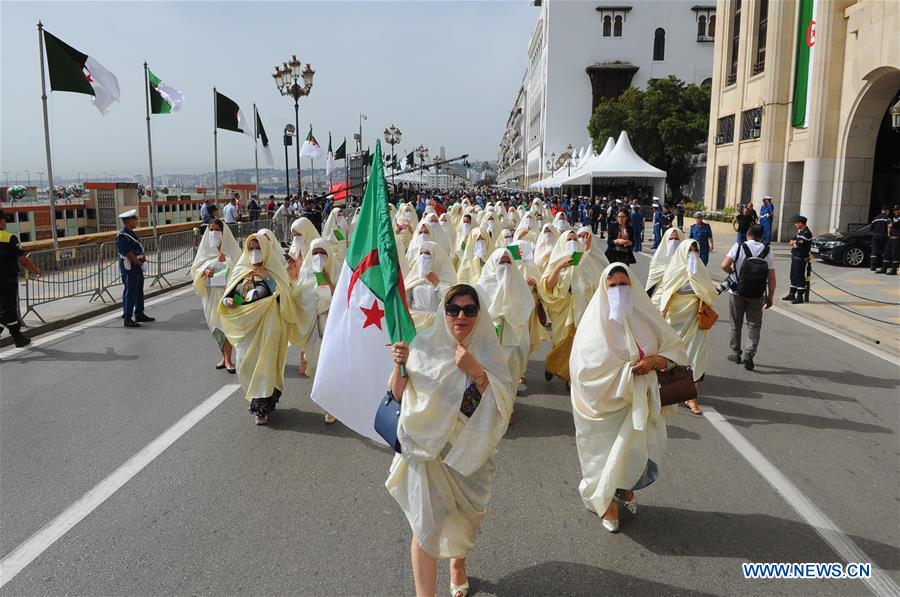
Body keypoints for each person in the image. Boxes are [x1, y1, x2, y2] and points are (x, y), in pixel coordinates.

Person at [385, 284, 513, 597]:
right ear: (444, 312)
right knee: (424, 529)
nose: (460, 316)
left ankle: (458, 564)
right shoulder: (424, 345)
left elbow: (503, 404)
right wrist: (399, 364)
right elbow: (398, 395)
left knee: (463, 519)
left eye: (470, 310)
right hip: (426, 455)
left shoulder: (488, 351)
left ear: (479, 314)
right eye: (453, 309)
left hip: (470, 456)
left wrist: (476, 371)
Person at [569, 263, 688, 533]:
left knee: (634, 452)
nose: (619, 291)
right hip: (601, 407)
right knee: (602, 457)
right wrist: (626, 376)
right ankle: (606, 502)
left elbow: (675, 349)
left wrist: (655, 361)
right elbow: (583, 371)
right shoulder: (592, 327)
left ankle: (622, 487)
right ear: (604, 288)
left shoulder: (647, 317)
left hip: (640, 401)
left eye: (624, 285)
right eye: (613, 286)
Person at [219, 229, 300, 425]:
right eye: (251, 248)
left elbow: (285, 298)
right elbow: (229, 295)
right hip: (247, 330)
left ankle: (261, 407)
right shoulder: (241, 271)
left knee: (264, 368)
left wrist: (267, 277)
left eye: (258, 248)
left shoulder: (275, 271)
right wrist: (229, 301)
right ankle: (255, 398)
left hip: (269, 328)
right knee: (246, 366)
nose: (254, 252)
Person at [658, 240, 718, 414]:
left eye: (695, 250)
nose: (692, 253)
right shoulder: (674, 271)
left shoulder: (701, 271)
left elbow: (710, 294)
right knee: (674, 359)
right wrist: (661, 318)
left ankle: (691, 398)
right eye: (689, 250)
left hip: (696, 322)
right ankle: (668, 391)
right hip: (676, 322)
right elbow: (667, 294)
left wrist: (701, 290)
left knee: (695, 358)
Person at [476, 247, 535, 393]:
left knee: (511, 371)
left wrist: (511, 315)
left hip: (514, 335)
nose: (505, 267)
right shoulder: (482, 286)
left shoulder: (519, 285)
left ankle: (508, 402)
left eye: (508, 262)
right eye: (501, 263)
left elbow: (527, 307)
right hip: (489, 335)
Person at [720, 224, 776, 371]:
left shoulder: (739, 246)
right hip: (757, 294)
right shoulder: (767, 250)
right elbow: (772, 277)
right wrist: (770, 296)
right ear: (761, 236)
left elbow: (724, 265)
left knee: (735, 324)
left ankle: (735, 352)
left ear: (748, 234)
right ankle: (749, 353)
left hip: (737, 292)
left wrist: (732, 271)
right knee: (754, 325)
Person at [190, 218, 241, 372]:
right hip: (210, 294)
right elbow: (196, 269)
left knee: (226, 325)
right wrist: (204, 271)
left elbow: (240, 269)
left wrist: (226, 261)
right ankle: (224, 357)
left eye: (217, 230)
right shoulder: (205, 250)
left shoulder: (232, 251)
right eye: (211, 230)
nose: (213, 233)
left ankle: (229, 360)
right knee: (215, 326)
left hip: (227, 294)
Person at [0, 209, 42, 347]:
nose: (5, 222)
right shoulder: (8, 237)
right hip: (6, 280)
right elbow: (23, 260)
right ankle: (17, 337)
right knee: (8, 309)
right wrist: (35, 270)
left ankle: (18, 338)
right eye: (4, 219)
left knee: (6, 310)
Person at [405, 241, 456, 330]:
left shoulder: (446, 276)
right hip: (416, 323)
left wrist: (436, 282)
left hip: (438, 325)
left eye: (427, 253)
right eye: (421, 253)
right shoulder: (414, 277)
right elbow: (405, 299)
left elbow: (451, 299)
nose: (423, 256)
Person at [116, 210, 155, 328]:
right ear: (128, 221)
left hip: (137, 265)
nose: (136, 221)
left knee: (138, 290)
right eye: (135, 219)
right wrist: (139, 263)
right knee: (130, 291)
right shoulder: (123, 235)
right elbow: (128, 253)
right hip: (130, 266)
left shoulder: (131, 233)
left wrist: (143, 261)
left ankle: (139, 313)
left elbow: (138, 249)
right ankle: (127, 318)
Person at [645, 227, 682, 305]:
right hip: (660, 298)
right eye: (670, 239)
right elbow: (651, 281)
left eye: (676, 239)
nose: (673, 242)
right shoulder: (657, 259)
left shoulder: (687, 259)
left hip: (680, 300)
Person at [783, 215, 812, 304]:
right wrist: (794, 243)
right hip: (795, 257)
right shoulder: (800, 232)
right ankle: (792, 294)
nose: (795, 225)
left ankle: (800, 297)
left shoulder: (807, 233)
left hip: (800, 258)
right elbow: (791, 242)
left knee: (799, 277)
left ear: (801, 223)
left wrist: (795, 243)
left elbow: (798, 244)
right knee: (793, 276)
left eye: (796, 223)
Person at [870, 205, 892, 272]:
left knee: (874, 252)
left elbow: (871, 229)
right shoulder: (888, 219)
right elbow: (890, 227)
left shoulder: (875, 219)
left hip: (875, 236)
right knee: (885, 252)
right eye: (888, 211)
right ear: (887, 211)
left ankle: (873, 267)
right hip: (884, 236)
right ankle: (884, 267)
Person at [883, 205, 900, 275]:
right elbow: (888, 224)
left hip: (897, 238)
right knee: (886, 252)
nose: (894, 211)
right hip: (891, 238)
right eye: (894, 210)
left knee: (894, 254)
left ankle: (894, 269)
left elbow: (896, 224)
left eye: (896, 210)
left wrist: (892, 224)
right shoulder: (893, 218)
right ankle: (884, 268)